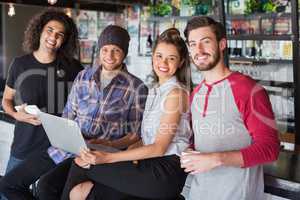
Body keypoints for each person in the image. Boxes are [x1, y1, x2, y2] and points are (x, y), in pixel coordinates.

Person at [0, 25, 148, 200]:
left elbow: (134, 135)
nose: (109, 55)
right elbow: (68, 116)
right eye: (105, 49)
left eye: (116, 50)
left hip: (98, 156)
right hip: (66, 149)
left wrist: (107, 143)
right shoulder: (83, 77)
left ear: (124, 53)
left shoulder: (137, 87)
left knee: (46, 188)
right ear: (99, 50)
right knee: (9, 184)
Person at [41, 27, 191, 200]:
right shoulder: (156, 91)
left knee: (82, 163)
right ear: (152, 57)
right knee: (80, 191)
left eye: (171, 58)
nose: (163, 63)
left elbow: (159, 147)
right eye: (159, 56)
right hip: (151, 163)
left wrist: (110, 157)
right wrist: (109, 144)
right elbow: (143, 138)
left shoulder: (176, 93)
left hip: (165, 172)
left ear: (180, 62)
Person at [180, 16, 280, 200]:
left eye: (206, 42)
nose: (199, 50)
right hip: (198, 194)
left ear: (222, 44)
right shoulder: (196, 93)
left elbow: (270, 149)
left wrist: (217, 159)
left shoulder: (248, 90)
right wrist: (190, 151)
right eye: (193, 44)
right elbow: (202, 141)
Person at [0, 8, 83, 199]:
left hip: (56, 150)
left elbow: (84, 104)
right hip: (23, 145)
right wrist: (15, 114)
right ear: (40, 30)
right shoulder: (20, 64)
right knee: (8, 191)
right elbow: (7, 100)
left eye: (60, 34)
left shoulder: (72, 68)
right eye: (50, 30)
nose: (53, 37)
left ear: (65, 40)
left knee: (47, 193)